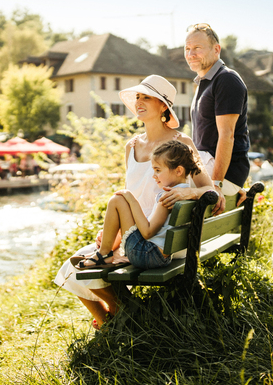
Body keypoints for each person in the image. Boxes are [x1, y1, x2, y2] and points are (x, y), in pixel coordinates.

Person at [54, 75, 219, 328]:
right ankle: (113, 321)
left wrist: (190, 193)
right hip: (137, 231)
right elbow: (130, 193)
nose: (139, 102)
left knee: (87, 266)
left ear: (164, 106)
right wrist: (114, 232)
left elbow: (208, 188)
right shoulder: (131, 146)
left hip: (159, 238)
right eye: (138, 97)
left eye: (147, 97)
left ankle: (128, 318)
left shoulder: (181, 144)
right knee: (71, 267)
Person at [74, 140, 199, 276]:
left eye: (158, 170)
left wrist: (132, 200)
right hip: (160, 256)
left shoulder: (167, 197)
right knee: (122, 201)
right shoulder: (187, 193)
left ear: (179, 170)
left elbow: (147, 232)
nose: (154, 175)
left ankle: (103, 254)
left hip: (147, 255)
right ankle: (104, 254)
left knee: (117, 200)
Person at [184, 23, 250, 205]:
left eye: (197, 48)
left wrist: (218, 184)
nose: (191, 54)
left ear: (216, 49)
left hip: (217, 175)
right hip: (206, 168)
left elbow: (227, 136)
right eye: (187, 48)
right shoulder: (204, 83)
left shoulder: (226, 80)